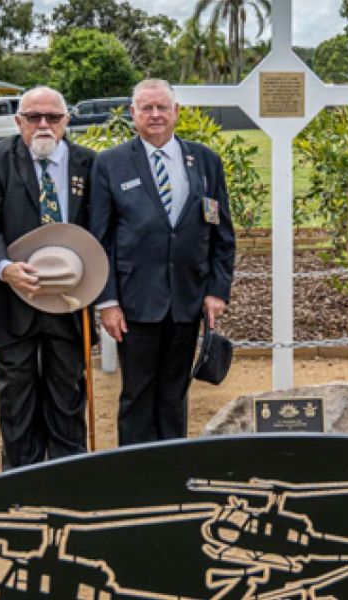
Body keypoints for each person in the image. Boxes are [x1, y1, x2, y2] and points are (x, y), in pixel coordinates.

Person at [89, 78, 235, 445]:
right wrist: (107, 302)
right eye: (146, 108)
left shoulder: (204, 161)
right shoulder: (110, 163)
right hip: (135, 303)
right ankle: (136, 477)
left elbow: (221, 232)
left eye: (162, 108)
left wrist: (216, 291)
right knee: (137, 396)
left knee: (174, 395)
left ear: (176, 112)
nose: (155, 115)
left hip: (186, 299)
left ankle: (172, 470)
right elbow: (99, 239)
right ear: (132, 113)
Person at [0, 86, 96, 470]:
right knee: (16, 397)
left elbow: (99, 228)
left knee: (68, 392)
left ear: (67, 121)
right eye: (33, 117)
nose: (44, 124)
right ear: (17, 121)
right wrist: (3, 268)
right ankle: (20, 479)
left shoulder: (88, 163)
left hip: (69, 301)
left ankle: (67, 474)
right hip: (13, 300)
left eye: (53, 117)